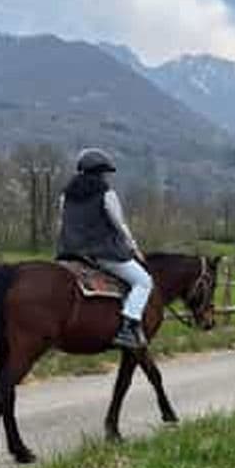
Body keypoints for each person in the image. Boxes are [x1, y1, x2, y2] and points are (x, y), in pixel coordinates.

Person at [57, 148, 153, 349]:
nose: (106, 176)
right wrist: (134, 249)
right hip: (102, 253)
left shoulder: (66, 194)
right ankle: (128, 327)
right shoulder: (106, 193)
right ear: (100, 172)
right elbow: (119, 224)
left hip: (71, 254)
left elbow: (61, 223)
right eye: (105, 173)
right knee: (144, 281)